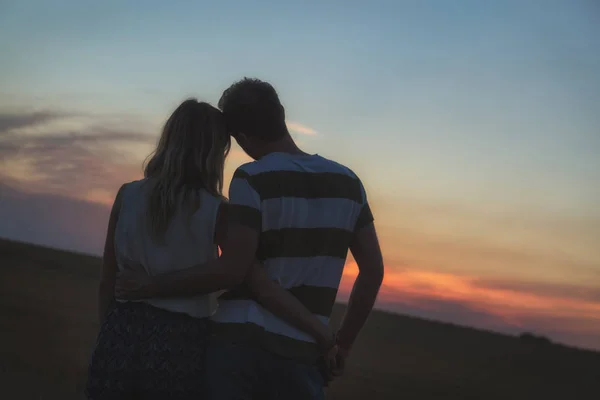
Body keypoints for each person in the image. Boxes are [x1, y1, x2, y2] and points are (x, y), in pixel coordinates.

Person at [116, 79, 384, 399]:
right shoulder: (349, 183)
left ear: (241, 138)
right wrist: (342, 343)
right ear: (281, 114)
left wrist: (149, 286)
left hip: (238, 346)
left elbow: (236, 269)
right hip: (302, 352)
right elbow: (372, 271)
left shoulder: (251, 178)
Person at [86, 99, 335, 400]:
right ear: (215, 152)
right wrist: (319, 331)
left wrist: (111, 334)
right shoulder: (219, 211)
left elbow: (107, 281)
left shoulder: (128, 195)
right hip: (181, 340)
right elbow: (242, 275)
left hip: (120, 330)